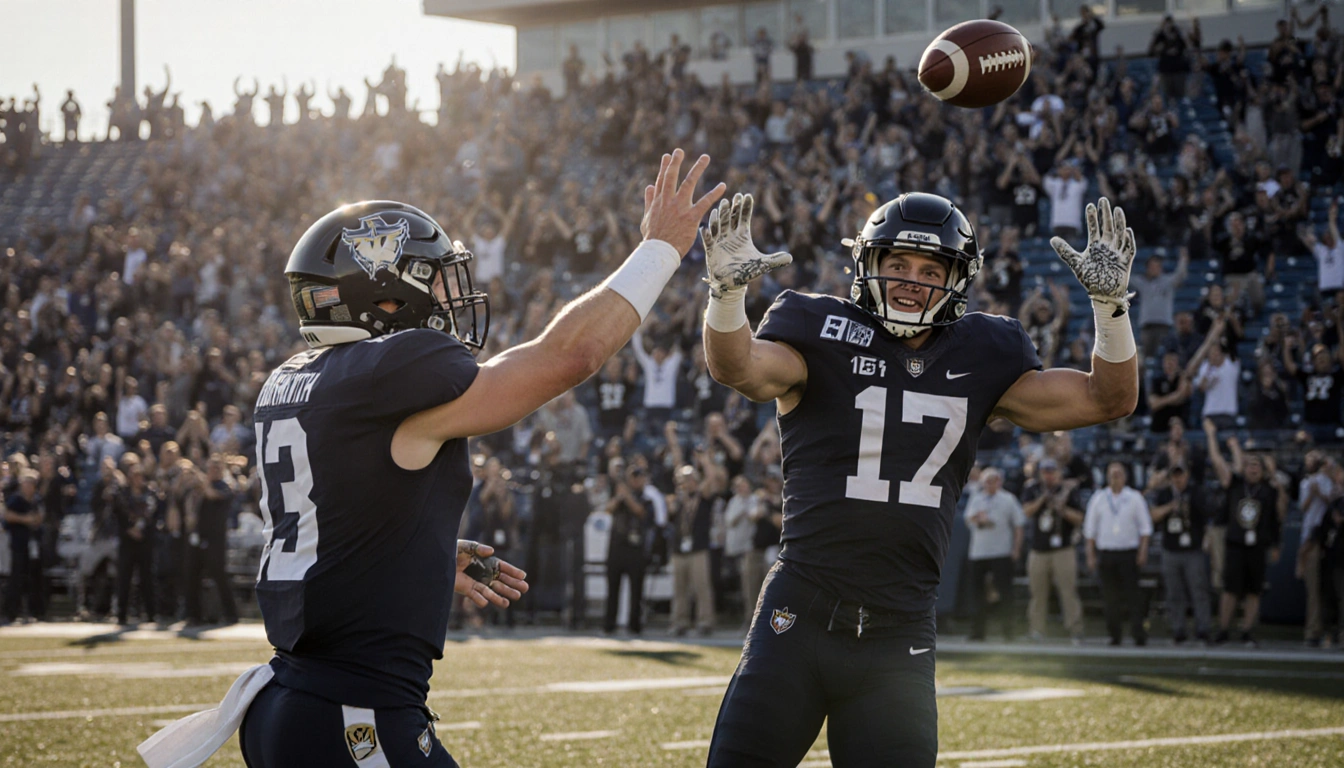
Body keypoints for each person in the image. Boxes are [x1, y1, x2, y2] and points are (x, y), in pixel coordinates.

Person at [139, 149, 727, 768]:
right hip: (353, 712)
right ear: (386, 297)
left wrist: (415, 555)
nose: (454, 297)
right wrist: (660, 249)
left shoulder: (292, 380)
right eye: (438, 278)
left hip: (293, 701)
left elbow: (335, 511)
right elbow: (569, 358)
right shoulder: (390, 368)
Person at [699, 191, 1139, 766]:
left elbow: (1109, 398)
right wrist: (727, 297)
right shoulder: (818, 329)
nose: (913, 281)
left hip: (899, 630)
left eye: (932, 270)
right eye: (898, 264)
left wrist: (1111, 310)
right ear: (868, 263)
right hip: (800, 613)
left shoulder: (987, 351)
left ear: (959, 278)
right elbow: (738, 366)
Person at [1205, 423, 1287, 647]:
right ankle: (1223, 629)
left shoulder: (1269, 490)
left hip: (1258, 545)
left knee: (1253, 591)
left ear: (1262, 470)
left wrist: (1274, 478)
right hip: (1236, 544)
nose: (1253, 469)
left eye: (1257, 466)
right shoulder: (1236, 484)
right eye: (1250, 465)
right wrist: (1212, 436)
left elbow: (1280, 513)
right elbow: (1218, 462)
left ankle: (1247, 631)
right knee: (1230, 590)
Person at [1084, 462, 1153, 646]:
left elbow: (1145, 529)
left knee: (1133, 597)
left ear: (1125, 476)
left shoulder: (1134, 497)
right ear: (1107, 476)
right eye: (1112, 474)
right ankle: (1114, 635)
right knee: (1110, 598)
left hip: (1128, 553)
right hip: (1106, 553)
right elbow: (1090, 531)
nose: (1115, 477)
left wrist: (1142, 551)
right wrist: (1090, 555)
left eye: (1118, 473)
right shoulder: (1098, 498)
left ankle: (1138, 634)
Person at [1020, 458, 1085, 642]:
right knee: (1037, 593)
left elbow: (1079, 518)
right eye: (1045, 472)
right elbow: (1026, 511)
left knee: (1068, 591)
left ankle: (1075, 630)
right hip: (1038, 549)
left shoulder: (1068, 490)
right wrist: (1043, 499)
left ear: (1058, 473)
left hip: (1063, 548)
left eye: (1052, 471)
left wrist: (1061, 507)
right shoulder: (1032, 489)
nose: (1048, 475)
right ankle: (1036, 630)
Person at [1149, 464, 1212, 644]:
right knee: (1174, 592)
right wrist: (1171, 506)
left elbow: (1208, 513)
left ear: (1187, 475)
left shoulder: (1197, 492)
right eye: (1175, 476)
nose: (1178, 479)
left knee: (1198, 590)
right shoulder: (1165, 494)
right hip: (1171, 549)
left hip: (1193, 549)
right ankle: (1178, 629)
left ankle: (1203, 629)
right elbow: (1154, 515)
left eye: (1181, 475)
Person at [963, 468, 1025, 641]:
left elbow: (1019, 524)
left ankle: (1008, 632)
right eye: (987, 481)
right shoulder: (976, 498)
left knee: (1005, 592)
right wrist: (978, 518)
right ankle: (977, 632)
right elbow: (968, 519)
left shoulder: (1008, 499)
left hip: (1001, 551)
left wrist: (1016, 549)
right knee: (977, 594)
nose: (990, 484)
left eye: (994, 480)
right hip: (978, 552)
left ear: (1000, 481)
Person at [183, 456, 239, 626]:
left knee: (219, 575)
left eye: (217, 468)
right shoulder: (199, 489)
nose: (213, 471)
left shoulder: (226, 486)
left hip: (216, 539)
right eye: (211, 468)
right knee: (192, 575)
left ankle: (231, 614)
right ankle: (194, 615)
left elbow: (213, 495)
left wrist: (202, 479)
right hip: (199, 537)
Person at [604, 463, 652, 635]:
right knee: (612, 588)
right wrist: (619, 497)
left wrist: (627, 496)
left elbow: (640, 512)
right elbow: (608, 509)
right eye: (633, 477)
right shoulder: (619, 497)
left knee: (636, 590)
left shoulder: (646, 498)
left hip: (636, 548)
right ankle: (609, 625)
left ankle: (635, 625)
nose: (636, 481)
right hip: (617, 547)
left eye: (639, 477)